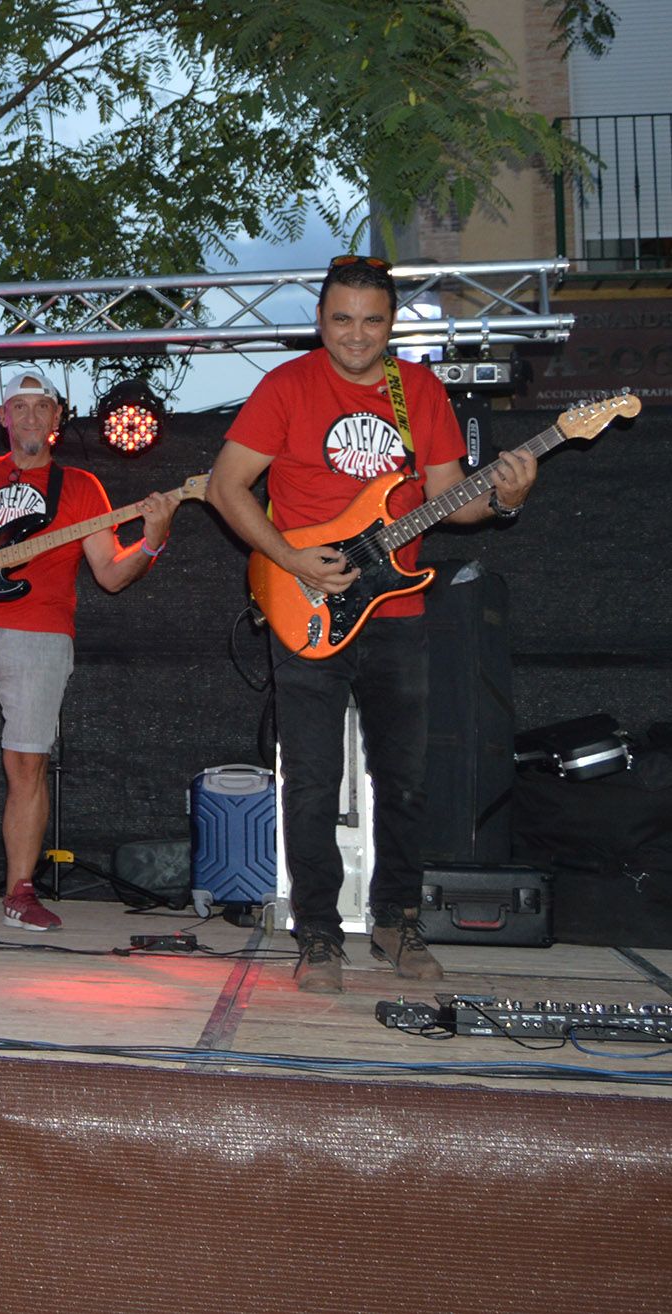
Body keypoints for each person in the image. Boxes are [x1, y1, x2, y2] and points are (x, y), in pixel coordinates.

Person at [206, 254, 537, 992]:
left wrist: (508, 497)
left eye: (372, 320)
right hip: (309, 605)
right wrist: (291, 560)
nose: (356, 335)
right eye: (341, 319)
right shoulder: (286, 387)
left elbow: (455, 499)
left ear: (392, 324)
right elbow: (227, 487)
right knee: (314, 782)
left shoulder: (415, 389)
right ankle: (317, 933)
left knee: (408, 780)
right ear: (320, 320)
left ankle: (395, 919)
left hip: (399, 610)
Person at [0, 367, 177, 930]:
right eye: (19, 407)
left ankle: (20, 891)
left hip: (41, 633)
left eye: (41, 408)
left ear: (57, 420)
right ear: (3, 418)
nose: (30, 417)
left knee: (26, 762)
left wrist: (152, 539)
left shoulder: (80, 487)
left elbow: (109, 573)